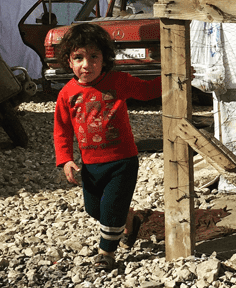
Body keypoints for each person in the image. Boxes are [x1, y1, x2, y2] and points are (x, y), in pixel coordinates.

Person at [53, 23, 161, 271]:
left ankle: (106, 254)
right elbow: (62, 129)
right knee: (95, 209)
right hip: (90, 165)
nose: (86, 64)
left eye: (93, 57)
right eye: (78, 57)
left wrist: (176, 78)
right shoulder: (66, 94)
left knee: (111, 209)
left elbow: (146, 91)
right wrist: (66, 159)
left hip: (122, 161)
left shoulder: (118, 81)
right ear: (69, 62)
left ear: (104, 59)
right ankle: (129, 219)